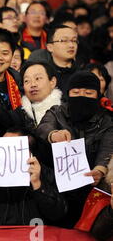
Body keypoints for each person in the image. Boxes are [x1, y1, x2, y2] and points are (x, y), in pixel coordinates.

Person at [36, 71, 113, 228]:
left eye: (88, 93)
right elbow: (43, 127)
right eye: (76, 92)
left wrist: (100, 170)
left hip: (91, 188)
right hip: (56, 187)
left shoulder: (106, 120)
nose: (82, 97)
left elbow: (107, 148)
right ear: (68, 93)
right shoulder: (57, 112)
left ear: (98, 95)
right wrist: (54, 135)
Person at [0, 127, 67, 226]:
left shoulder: (43, 173)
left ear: (29, 152)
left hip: (32, 237)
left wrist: (38, 185)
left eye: (12, 147)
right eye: (2, 147)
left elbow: (58, 213)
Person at [45, 25, 79, 94]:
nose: (71, 45)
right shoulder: (44, 75)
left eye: (74, 40)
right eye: (64, 40)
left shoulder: (83, 73)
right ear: (50, 47)